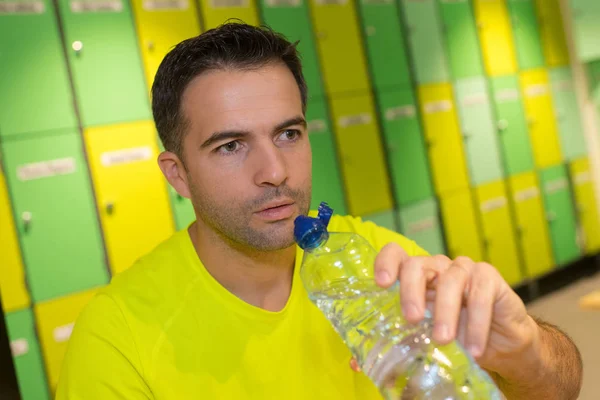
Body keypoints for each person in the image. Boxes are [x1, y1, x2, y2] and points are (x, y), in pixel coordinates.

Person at [55, 22, 582, 399]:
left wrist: (524, 352)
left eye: (288, 134)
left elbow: (557, 388)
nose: (275, 170)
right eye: (230, 146)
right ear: (177, 174)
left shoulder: (371, 256)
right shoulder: (115, 337)